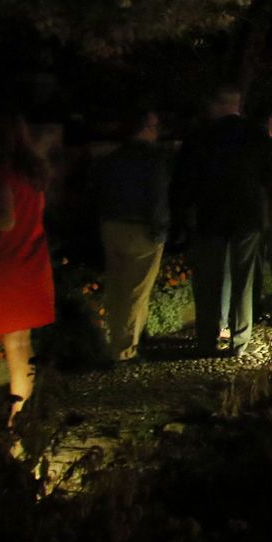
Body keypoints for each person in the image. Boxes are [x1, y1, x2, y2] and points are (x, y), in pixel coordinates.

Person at [174, 87, 272, 357]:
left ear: (216, 105)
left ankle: (206, 339)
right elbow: (271, 178)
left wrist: (182, 213)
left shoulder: (200, 136)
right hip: (247, 215)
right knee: (243, 278)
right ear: (237, 105)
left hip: (210, 215)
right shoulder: (255, 135)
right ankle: (240, 339)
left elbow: (184, 180)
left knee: (208, 280)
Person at [91, 108, 170, 362]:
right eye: (155, 126)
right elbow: (157, 198)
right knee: (136, 291)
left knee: (116, 288)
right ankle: (125, 349)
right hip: (141, 228)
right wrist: (160, 229)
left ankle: (116, 340)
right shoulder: (153, 160)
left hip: (112, 225)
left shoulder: (112, 158)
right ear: (146, 127)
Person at [0, 112, 55, 428]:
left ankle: (15, 427)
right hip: (29, 265)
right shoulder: (31, 176)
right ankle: (19, 425)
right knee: (20, 347)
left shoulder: (0, 176)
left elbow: (4, 218)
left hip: (3, 267)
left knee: (14, 346)